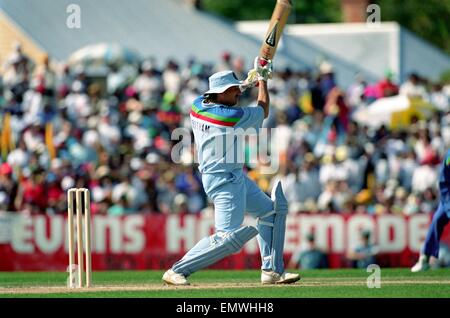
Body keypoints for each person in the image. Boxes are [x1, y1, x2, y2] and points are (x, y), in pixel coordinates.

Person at [162, 58, 300, 285]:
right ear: (221, 93)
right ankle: (177, 270)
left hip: (233, 176)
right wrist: (263, 81)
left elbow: (228, 96)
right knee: (227, 239)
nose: (237, 93)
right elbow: (263, 110)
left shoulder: (198, 104)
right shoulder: (228, 117)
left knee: (271, 212)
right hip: (223, 181)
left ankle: (272, 271)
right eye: (233, 90)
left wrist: (247, 82)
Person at [412, 149, 450, 272]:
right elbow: (444, 182)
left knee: (437, 220)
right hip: (448, 196)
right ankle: (425, 258)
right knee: (436, 221)